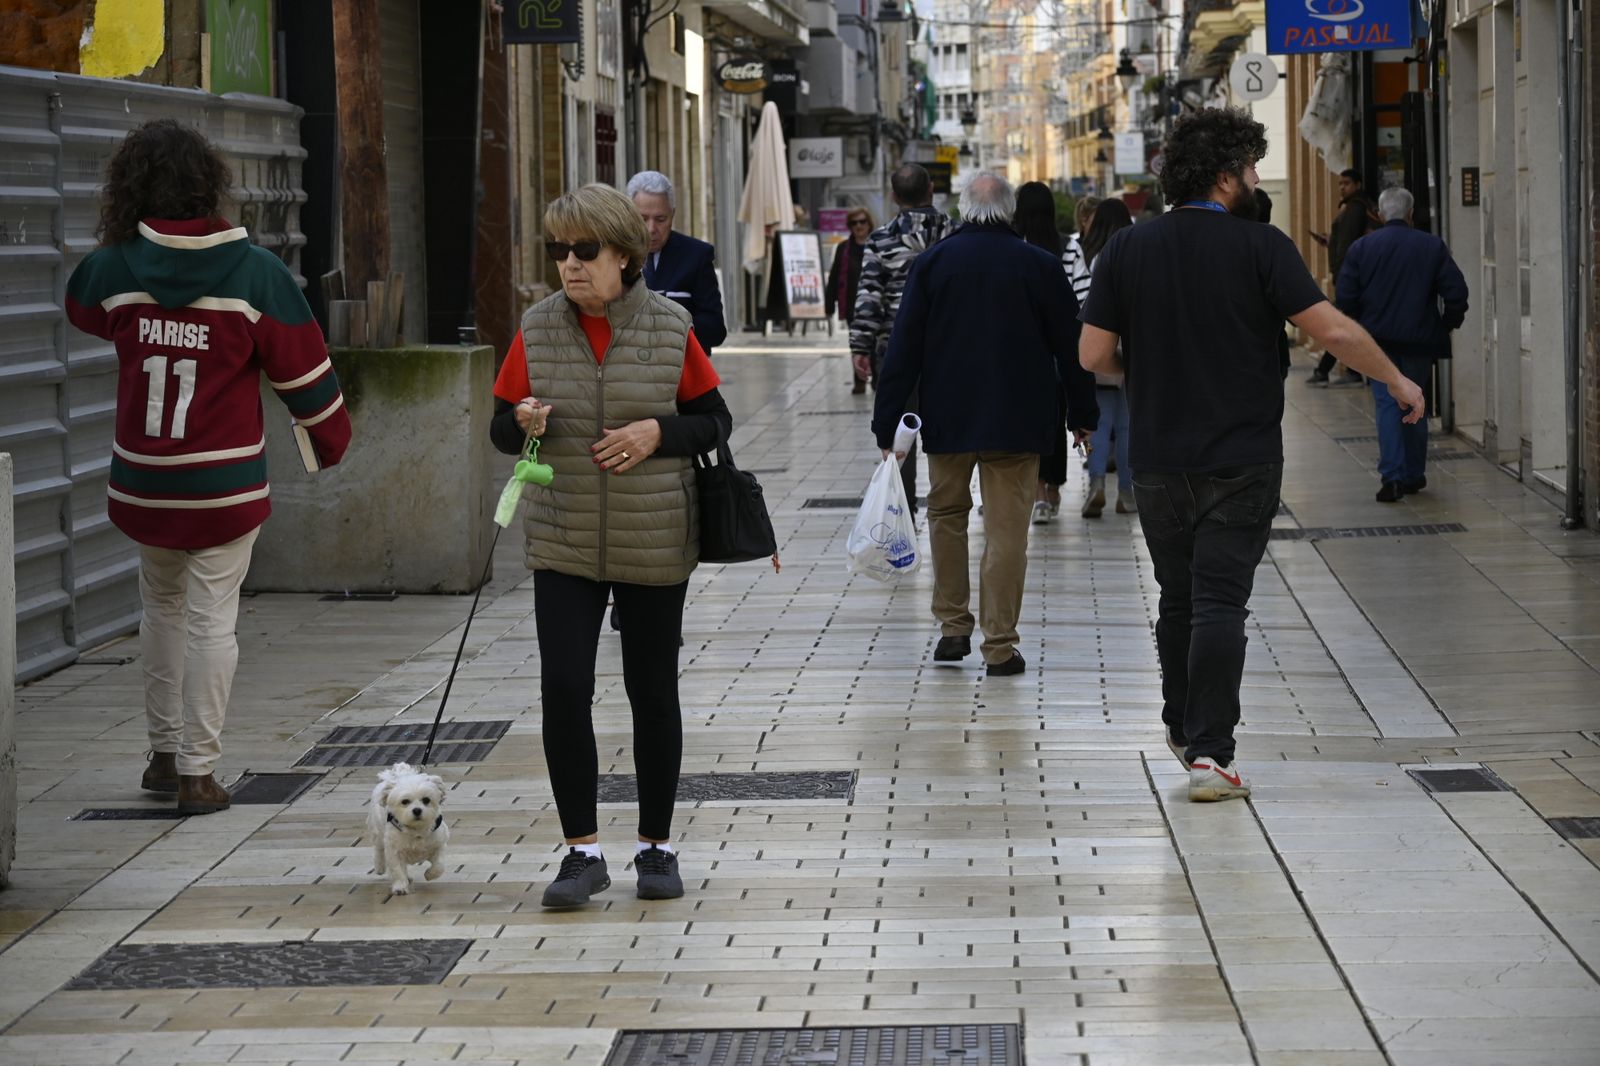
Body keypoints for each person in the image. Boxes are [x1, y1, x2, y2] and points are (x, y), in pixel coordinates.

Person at [1078, 108, 1424, 802]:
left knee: (1179, 596)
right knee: (1219, 602)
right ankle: (1212, 751)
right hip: (1243, 457)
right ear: (1225, 175)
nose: (1257, 178)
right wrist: (1394, 377)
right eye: (1251, 167)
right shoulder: (1261, 247)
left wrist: (1149, 375)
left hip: (1159, 459)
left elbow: (1094, 356)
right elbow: (1328, 329)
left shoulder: (1126, 251)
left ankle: (1182, 725)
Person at [64, 119, 352, 814]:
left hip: (143, 481)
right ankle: (199, 771)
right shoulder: (256, 274)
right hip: (223, 483)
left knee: (159, 609)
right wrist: (331, 438)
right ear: (209, 184)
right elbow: (304, 372)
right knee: (211, 621)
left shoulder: (113, 267)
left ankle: (163, 757)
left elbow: (81, 309)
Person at [489, 183, 732, 907]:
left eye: (584, 250)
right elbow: (502, 427)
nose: (569, 263)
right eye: (558, 250)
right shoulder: (536, 328)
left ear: (624, 254)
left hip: (654, 535)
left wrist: (658, 431)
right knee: (563, 688)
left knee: (651, 692)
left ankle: (656, 848)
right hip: (563, 535)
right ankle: (581, 851)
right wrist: (522, 419)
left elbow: (715, 422)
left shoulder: (668, 327)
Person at [874, 172, 1097, 676]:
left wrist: (887, 424)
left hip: (949, 416)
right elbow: (1071, 347)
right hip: (1017, 421)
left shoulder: (932, 264)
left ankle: (953, 628)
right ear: (1008, 210)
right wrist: (1083, 415)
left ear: (963, 207)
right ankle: (999, 646)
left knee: (946, 516)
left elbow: (903, 350)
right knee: (1006, 530)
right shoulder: (1039, 265)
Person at [1336, 186, 1469, 502]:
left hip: (1377, 343)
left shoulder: (1361, 248)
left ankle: (1392, 477)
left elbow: (1346, 298)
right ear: (1411, 215)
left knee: (1386, 404)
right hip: (1419, 340)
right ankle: (1413, 474)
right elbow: (1456, 293)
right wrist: (1446, 324)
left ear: (1380, 215)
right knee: (1415, 403)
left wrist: (1358, 331)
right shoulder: (1431, 246)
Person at [851, 163, 955, 515]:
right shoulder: (954, 235)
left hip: (894, 351)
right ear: (930, 192)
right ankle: (947, 504)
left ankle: (904, 509)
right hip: (948, 352)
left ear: (894, 197)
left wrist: (860, 348)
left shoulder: (880, 239)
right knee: (949, 435)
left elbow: (869, 297)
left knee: (900, 433)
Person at [1012, 181, 1070, 523]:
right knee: (1056, 420)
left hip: (1021, 348)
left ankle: (1036, 492)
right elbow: (1080, 296)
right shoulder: (1068, 247)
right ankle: (1053, 489)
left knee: (1026, 420)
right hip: (1058, 347)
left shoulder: (1013, 246)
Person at [1076, 198, 1135, 518]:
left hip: (1096, 342)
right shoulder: (1135, 252)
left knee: (1098, 422)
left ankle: (1096, 481)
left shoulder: (1088, 255)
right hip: (1131, 344)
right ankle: (1126, 491)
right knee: (1128, 424)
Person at [627, 170, 728, 353]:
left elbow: (715, 330)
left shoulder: (697, 255)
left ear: (672, 215)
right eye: (642, 219)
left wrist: (665, 325)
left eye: (660, 219)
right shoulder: (613, 255)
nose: (651, 229)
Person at [1307, 168, 1378, 386]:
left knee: (1341, 326)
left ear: (1357, 185)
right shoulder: (1356, 207)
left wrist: (1340, 276)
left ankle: (1333, 371)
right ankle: (1339, 371)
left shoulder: (1355, 208)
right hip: (1357, 279)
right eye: (1340, 184)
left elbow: (1347, 245)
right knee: (1347, 325)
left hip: (1351, 280)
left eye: (1346, 183)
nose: (1342, 187)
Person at [825, 207, 874, 393]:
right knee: (857, 343)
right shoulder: (844, 248)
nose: (859, 226)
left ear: (869, 223)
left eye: (862, 222)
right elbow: (835, 277)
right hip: (853, 305)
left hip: (876, 304)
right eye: (854, 223)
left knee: (876, 344)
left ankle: (876, 379)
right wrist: (829, 305)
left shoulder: (878, 244)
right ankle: (859, 381)